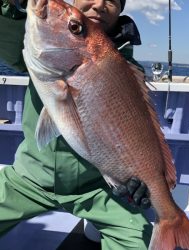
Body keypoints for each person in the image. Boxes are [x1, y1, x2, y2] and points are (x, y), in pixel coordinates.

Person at [0, 0, 153, 249]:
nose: (101, 5)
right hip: (29, 178)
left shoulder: (130, 73)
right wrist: (10, 5)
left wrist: (134, 183)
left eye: (113, 0)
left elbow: (136, 139)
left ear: (121, 10)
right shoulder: (35, 46)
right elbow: (8, 29)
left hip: (96, 189)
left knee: (139, 242)